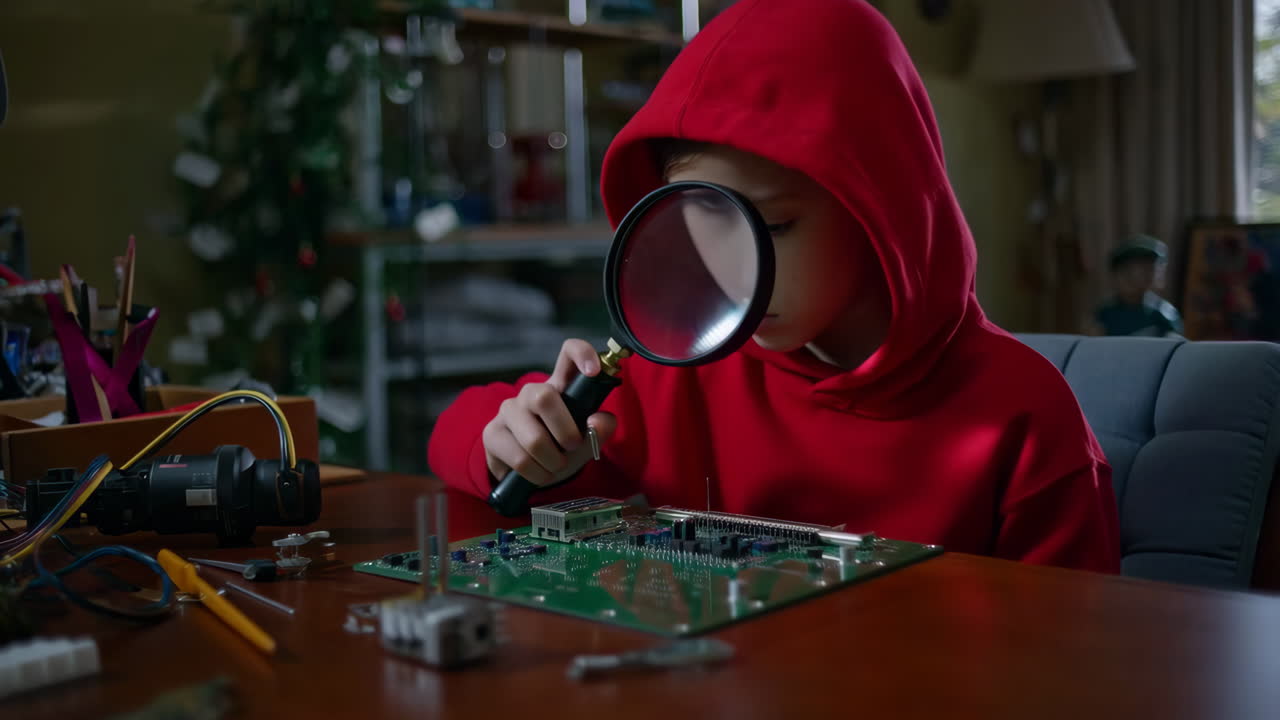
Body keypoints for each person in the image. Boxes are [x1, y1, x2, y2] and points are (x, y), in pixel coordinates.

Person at [428, 0, 1120, 573]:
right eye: (702, 220)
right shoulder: (682, 370)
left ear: (881, 210)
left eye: (778, 225)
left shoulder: (1026, 417)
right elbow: (455, 430)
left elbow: (1077, 646)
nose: (735, 275)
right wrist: (514, 439)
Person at [1091, 235, 1185, 337]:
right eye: (1128, 270)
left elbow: (1175, 342)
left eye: (1149, 268)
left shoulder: (1163, 313)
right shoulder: (1105, 314)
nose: (1141, 275)